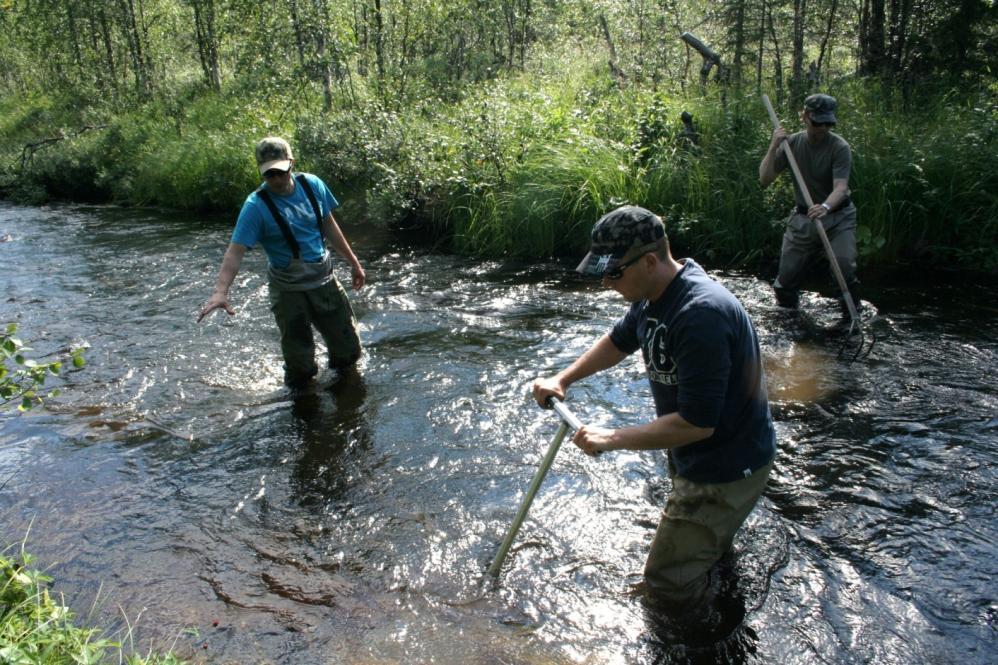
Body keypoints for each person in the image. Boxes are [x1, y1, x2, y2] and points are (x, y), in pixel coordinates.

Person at [532, 205, 776, 607]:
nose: (606, 283)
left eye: (613, 273)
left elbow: (697, 424)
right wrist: (563, 378)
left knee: (665, 583)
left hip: (725, 467)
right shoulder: (653, 295)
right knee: (705, 557)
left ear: (649, 261)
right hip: (699, 454)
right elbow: (618, 341)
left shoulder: (700, 315)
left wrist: (612, 437)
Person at [198, 137, 365, 388]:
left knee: (349, 351)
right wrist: (220, 292)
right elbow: (235, 251)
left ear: (291, 164)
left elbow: (329, 225)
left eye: (280, 171)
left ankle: (347, 398)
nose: (276, 179)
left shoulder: (313, 185)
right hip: (289, 291)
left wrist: (353, 262)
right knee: (301, 369)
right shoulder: (255, 206)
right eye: (269, 174)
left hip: (324, 280)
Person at [759, 93, 861, 322]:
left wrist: (825, 206)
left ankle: (852, 319)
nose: (823, 128)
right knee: (786, 278)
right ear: (804, 117)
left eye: (828, 123)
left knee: (844, 266)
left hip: (838, 216)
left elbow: (841, 188)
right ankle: (789, 320)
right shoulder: (791, 143)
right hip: (803, 218)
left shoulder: (839, 147)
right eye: (818, 122)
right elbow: (765, 179)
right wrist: (774, 145)